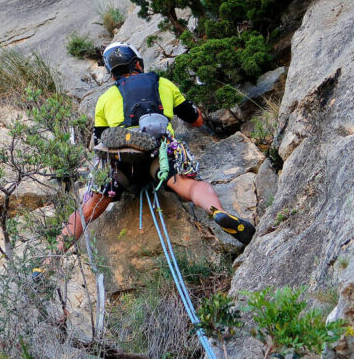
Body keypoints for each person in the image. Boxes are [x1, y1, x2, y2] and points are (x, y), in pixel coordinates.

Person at [55, 42, 256, 255]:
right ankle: (217, 211)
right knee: (188, 184)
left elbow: (99, 139)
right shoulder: (164, 84)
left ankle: (48, 260)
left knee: (89, 207)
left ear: (113, 75)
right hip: (158, 153)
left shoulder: (105, 98)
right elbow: (195, 120)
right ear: (139, 64)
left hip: (121, 160)